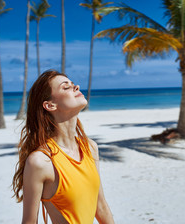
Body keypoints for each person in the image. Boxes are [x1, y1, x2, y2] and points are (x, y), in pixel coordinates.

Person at [12, 70, 115, 224]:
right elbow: (29, 221)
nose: (76, 87)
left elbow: (101, 207)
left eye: (73, 85)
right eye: (66, 87)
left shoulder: (90, 147)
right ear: (50, 105)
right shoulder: (40, 161)